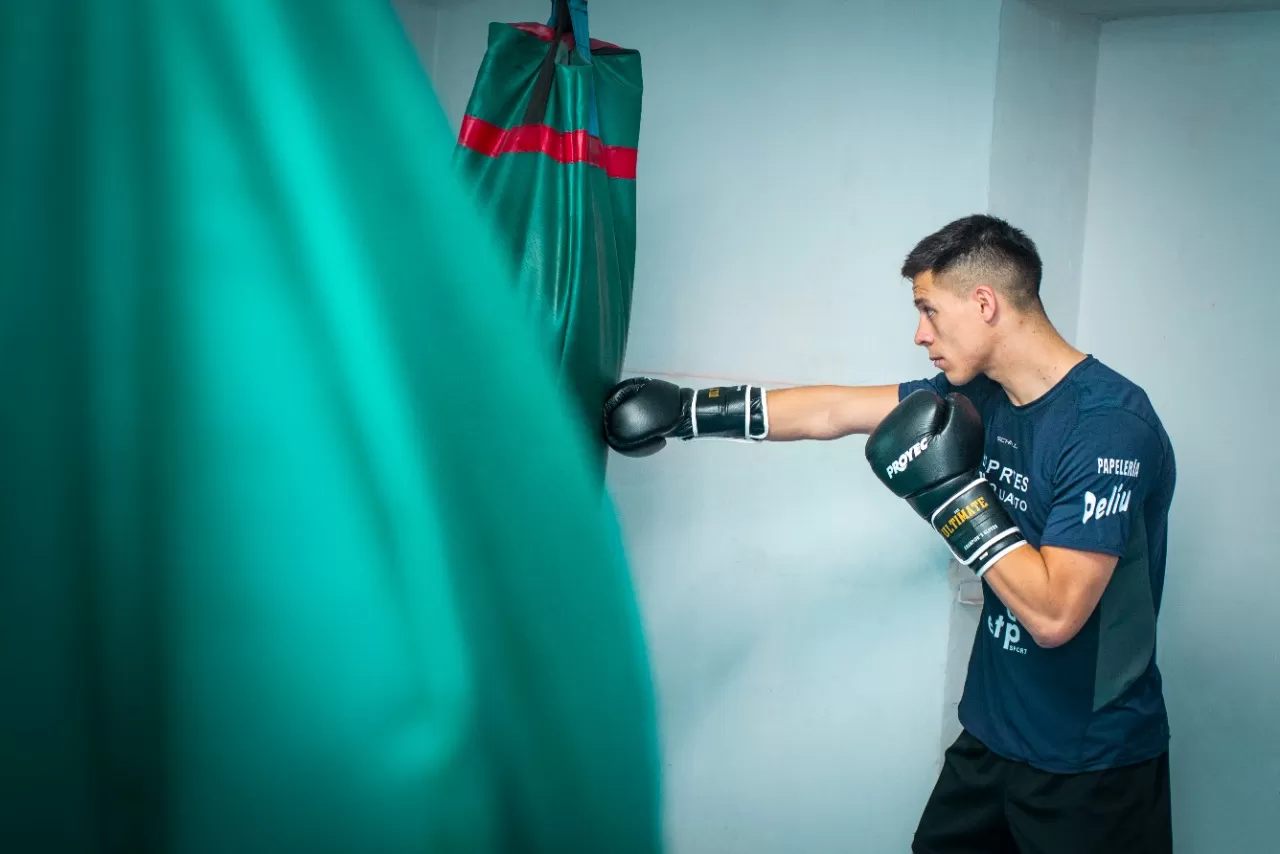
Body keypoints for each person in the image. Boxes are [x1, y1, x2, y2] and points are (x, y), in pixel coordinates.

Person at [601, 214, 1175, 853]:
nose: (919, 333)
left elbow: (1054, 613)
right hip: (991, 736)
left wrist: (951, 494)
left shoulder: (1109, 426)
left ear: (983, 303)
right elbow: (835, 410)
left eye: (929, 310)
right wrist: (690, 413)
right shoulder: (982, 394)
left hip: (1092, 764)